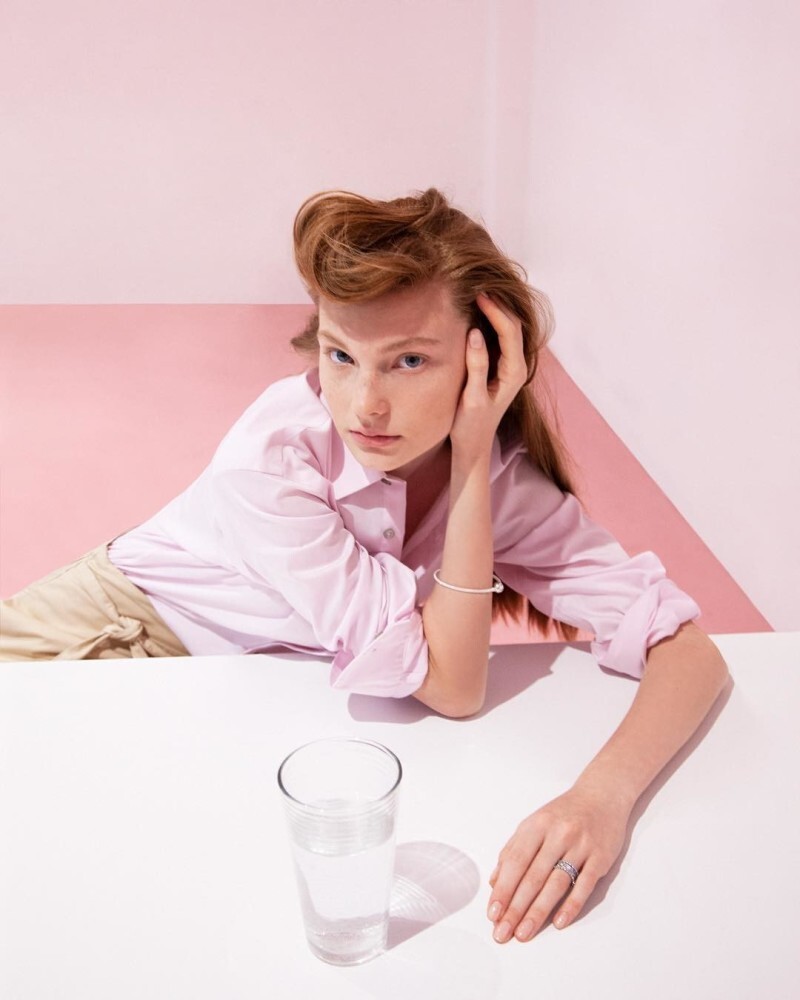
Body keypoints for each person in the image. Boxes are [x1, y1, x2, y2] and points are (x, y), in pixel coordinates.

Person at [0, 187, 729, 943]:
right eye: (341, 356)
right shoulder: (271, 462)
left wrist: (600, 801)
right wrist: (470, 465)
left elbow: (689, 652)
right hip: (104, 636)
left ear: (486, 361)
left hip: (223, 693)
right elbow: (453, 686)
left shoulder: (501, 482)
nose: (364, 406)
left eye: (409, 360)